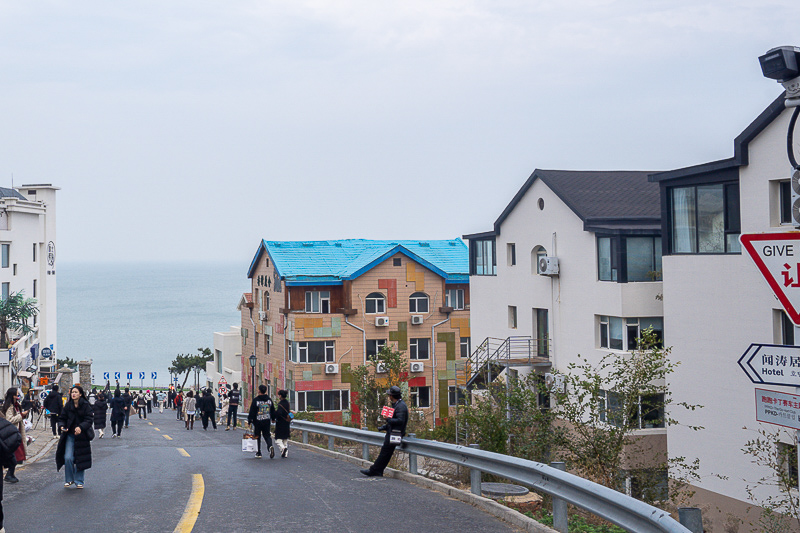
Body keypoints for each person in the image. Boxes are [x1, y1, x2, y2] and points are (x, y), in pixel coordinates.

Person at [360, 385, 409, 477]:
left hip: (395, 434)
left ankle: (374, 470)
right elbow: (395, 420)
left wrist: (388, 419)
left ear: (391, 396)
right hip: (392, 432)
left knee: (385, 453)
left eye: (389, 395)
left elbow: (400, 421)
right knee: (386, 453)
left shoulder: (401, 406)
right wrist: (385, 427)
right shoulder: (398, 405)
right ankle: (377, 470)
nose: (389, 396)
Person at [56, 385, 93, 489]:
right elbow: (62, 418)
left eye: (76, 392)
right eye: (72, 392)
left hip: (82, 436)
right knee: (68, 457)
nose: (74, 394)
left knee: (80, 458)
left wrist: (81, 427)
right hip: (70, 435)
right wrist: (62, 426)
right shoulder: (68, 406)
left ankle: (79, 480)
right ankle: (69, 479)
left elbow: (89, 419)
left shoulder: (86, 405)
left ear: (80, 394)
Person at [1, 388, 28, 483]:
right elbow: (9, 420)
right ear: (13, 395)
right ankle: (9, 474)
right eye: (17, 394)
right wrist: (21, 415)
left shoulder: (16, 405)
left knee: (16, 456)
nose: (18, 396)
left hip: (16, 433)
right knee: (13, 456)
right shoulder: (10, 407)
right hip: (11, 434)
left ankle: (10, 474)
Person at [248, 384, 275, 459]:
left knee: (257, 436)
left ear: (259, 390)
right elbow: (272, 410)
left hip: (258, 421)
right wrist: (273, 418)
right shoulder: (269, 400)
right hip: (267, 420)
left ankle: (258, 452)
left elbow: (252, 411)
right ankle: (270, 446)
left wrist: (250, 420)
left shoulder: (256, 400)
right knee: (267, 435)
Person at [274, 390, 293, 458]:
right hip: (287, 422)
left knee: (278, 439)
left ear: (280, 396)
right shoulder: (287, 403)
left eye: (279, 395)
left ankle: (283, 449)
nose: (278, 396)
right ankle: (285, 454)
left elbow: (279, 413)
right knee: (285, 439)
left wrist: (274, 415)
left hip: (280, 423)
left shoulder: (280, 404)